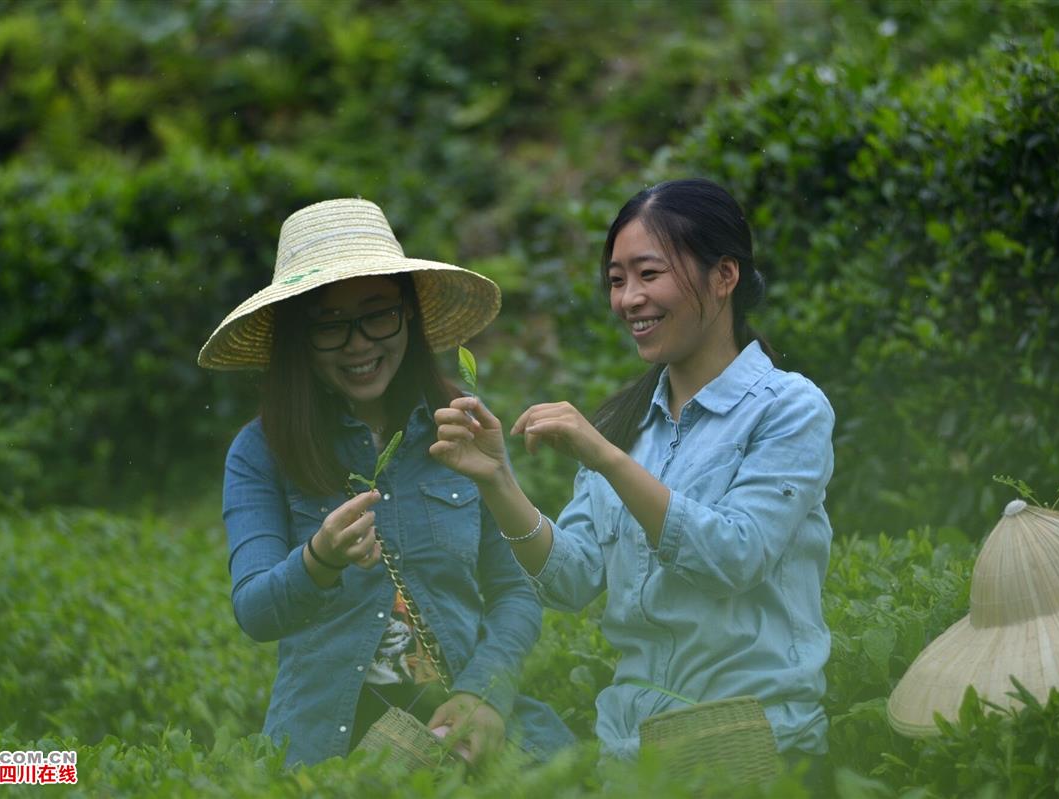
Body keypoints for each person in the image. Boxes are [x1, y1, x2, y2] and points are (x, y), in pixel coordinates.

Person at [429, 179, 835, 782]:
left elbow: (737, 557)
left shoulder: (788, 408)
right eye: (617, 281)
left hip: (756, 746)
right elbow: (570, 581)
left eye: (649, 274)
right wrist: (497, 480)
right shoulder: (627, 422)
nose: (629, 299)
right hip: (633, 754)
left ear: (725, 277)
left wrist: (609, 460)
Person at [197, 198, 574, 768]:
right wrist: (318, 560)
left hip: (461, 716)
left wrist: (485, 695)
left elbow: (514, 588)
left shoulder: (460, 426)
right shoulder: (261, 451)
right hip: (329, 740)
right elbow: (255, 610)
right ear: (299, 338)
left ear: (408, 317)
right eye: (329, 324)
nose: (358, 344)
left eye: (378, 315)